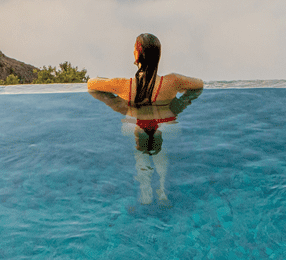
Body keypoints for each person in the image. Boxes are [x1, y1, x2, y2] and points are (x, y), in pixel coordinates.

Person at [87, 33, 203, 205]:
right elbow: (199, 84)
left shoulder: (125, 85)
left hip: (137, 126)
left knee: (140, 151)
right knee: (159, 151)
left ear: (137, 53)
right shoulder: (172, 82)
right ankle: (162, 189)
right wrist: (178, 106)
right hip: (165, 125)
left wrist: (115, 94)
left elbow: (91, 84)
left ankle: (145, 191)